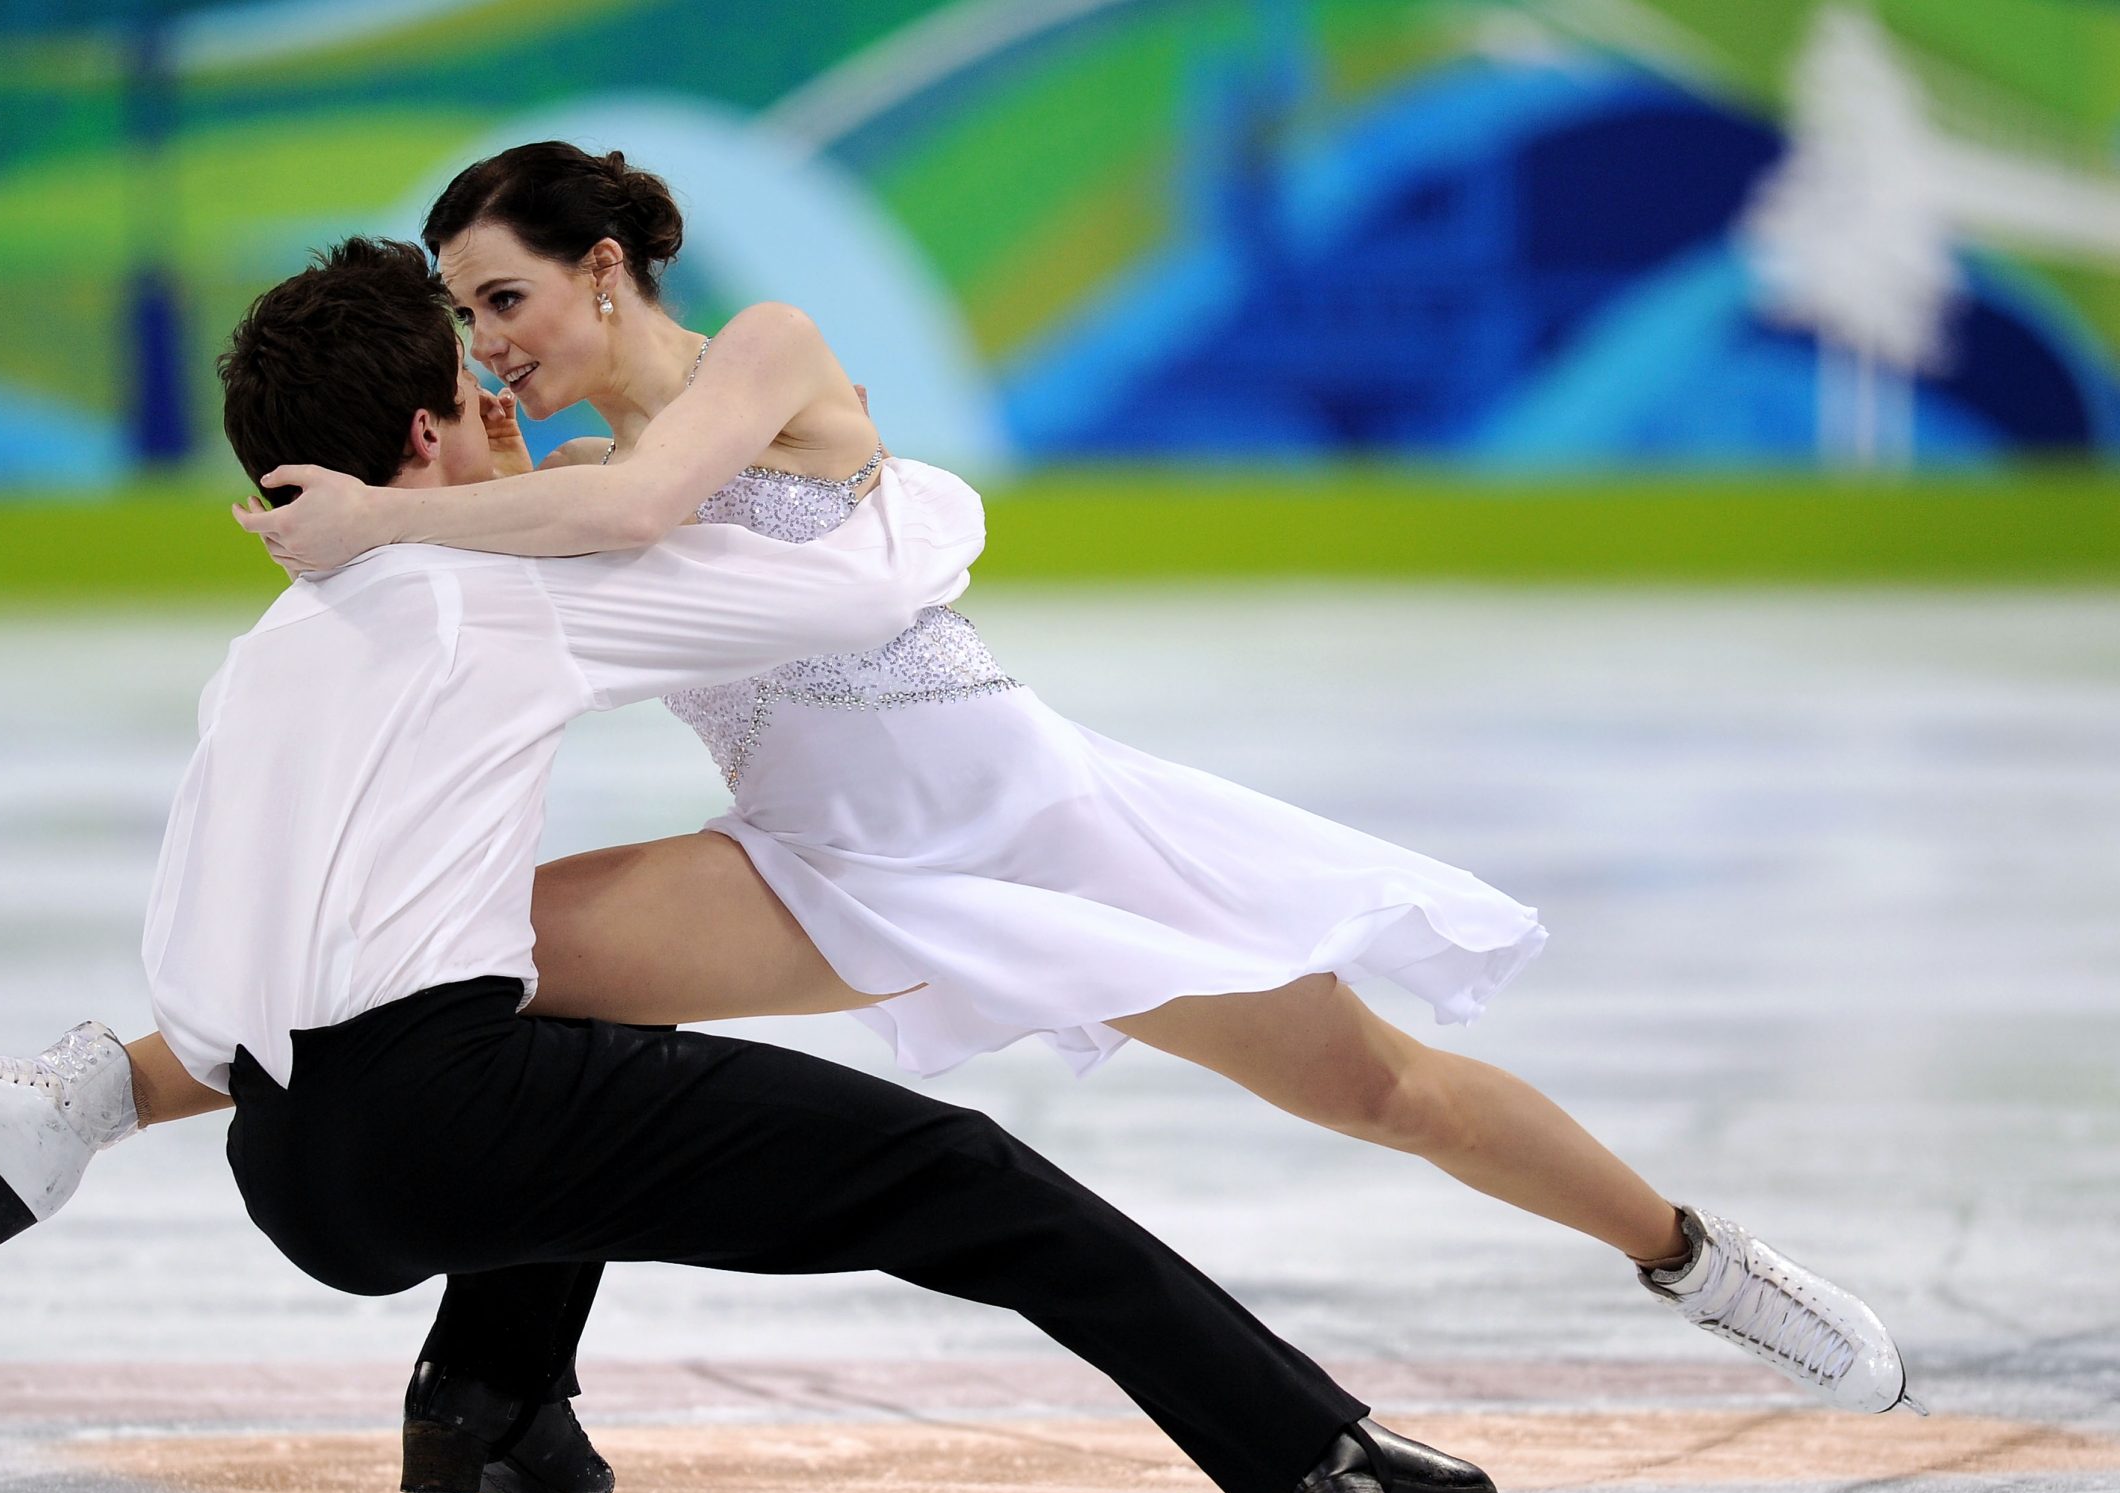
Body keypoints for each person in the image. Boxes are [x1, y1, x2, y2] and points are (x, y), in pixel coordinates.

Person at [0, 234, 1517, 1493]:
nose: (513, 400)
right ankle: (1336, 1465)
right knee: (973, 1182)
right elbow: (849, 588)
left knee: (580, 1026)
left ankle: (495, 1409)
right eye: (479, 391)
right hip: (450, 1117)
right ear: (426, 441)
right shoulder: (509, 588)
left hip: (291, 1160)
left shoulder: (274, 649)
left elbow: (218, 965)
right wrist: (913, 495)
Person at [222, 143, 1919, 1423]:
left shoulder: (765, 354)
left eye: (499, 299)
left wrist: (384, 511)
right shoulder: (559, 484)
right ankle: (161, 1149)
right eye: (463, 318)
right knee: (444, 959)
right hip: (816, 865)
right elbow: (542, 548)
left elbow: (650, 508)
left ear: (604, 271)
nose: (486, 342)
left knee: (1374, 1086)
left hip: (1033, 823)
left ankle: (1696, 1258)